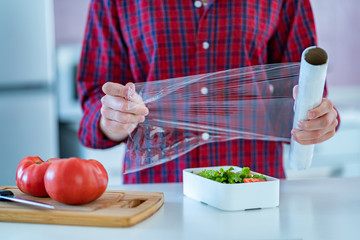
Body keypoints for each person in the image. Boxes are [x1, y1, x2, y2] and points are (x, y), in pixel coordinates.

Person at [77, 0, 339, 183]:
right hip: (158, 193)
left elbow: (303, 96)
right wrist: (112, 118)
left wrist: (315, 120)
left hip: (253, 189)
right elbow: (94, 100)